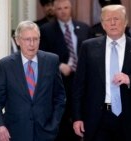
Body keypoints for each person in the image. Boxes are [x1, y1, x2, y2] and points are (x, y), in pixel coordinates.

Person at [72, 5, 131, 141]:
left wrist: (130, 80)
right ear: (102, 24)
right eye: (108, 19)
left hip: (129, 119)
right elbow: (78, 86)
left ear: (125, 22)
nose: (112, 23)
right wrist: (77, 118)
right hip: (98, 119)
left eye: (116, 19)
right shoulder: (88, 47)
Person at [0, 21, 66, 141]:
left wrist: (54, 124)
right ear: (18, 41)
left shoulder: (52, 61)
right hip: (15, 132)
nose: (32, 44)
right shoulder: (6, 65)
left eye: (35, 39)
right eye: (27, 39)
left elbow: (60, 97)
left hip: (46, 132)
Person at [39, 0, 90, 140]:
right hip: (58, 84)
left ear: (71, 8)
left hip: (81, 84)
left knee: (80, 122)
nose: (63, 11)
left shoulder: (84, 28)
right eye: (59, 8)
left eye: (66, 7)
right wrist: (59, 65)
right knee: (61, 126)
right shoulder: (46, 30)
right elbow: (41, 57)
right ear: (55, 10)